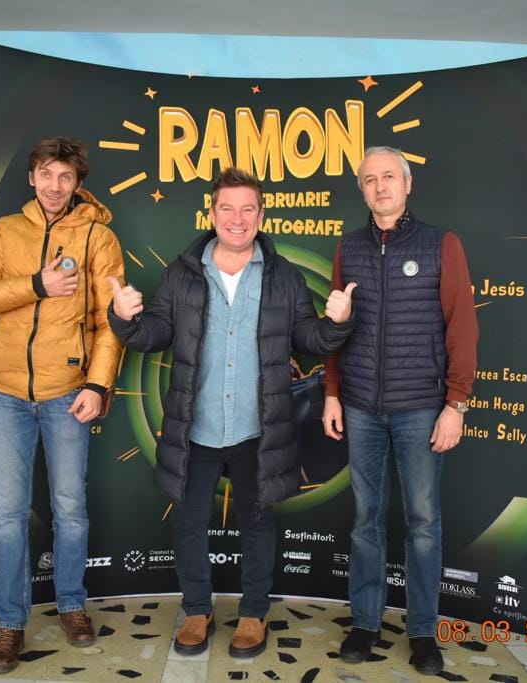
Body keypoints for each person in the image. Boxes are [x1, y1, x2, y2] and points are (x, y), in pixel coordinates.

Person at [108, 167, 355, 659]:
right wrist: (124, 318)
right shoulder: (182, 273)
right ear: (212, 213)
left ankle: (253, 614)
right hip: (195, 429)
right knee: (189, 523)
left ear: (261, 215)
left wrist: (336, 325)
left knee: (257, 523)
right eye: (227, 208)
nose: (237, 219)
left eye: (247, 209)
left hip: (257, 430)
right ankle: (196, 610)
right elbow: (155, 333)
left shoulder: (283, 276)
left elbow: (307, 339)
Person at [0, 135, 124, 674]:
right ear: (32, 177)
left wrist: (97, 385)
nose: (55, 186)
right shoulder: (7, 230)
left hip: (66, 394)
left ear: (78, 183)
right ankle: (10, 623)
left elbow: (110, 322)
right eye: (47, 175)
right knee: (8, 515)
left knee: (69, 509)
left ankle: (72, 606)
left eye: (66, 177)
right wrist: (37, 283)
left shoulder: (99, 237)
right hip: (6, 394)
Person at [322, 146, 478, 676]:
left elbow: (462, 328)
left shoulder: (441, 243)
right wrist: (332, 391)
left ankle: (423, 631)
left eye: (389, 177)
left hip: (421, 409)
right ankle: (365, 623)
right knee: (365, 520)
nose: (380, 186)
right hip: (361, 406)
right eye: (370, 179)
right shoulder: (349, 246)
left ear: (408, 184)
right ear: (362, 189)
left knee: (423, 523)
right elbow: (337, 326)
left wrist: (455, 404)